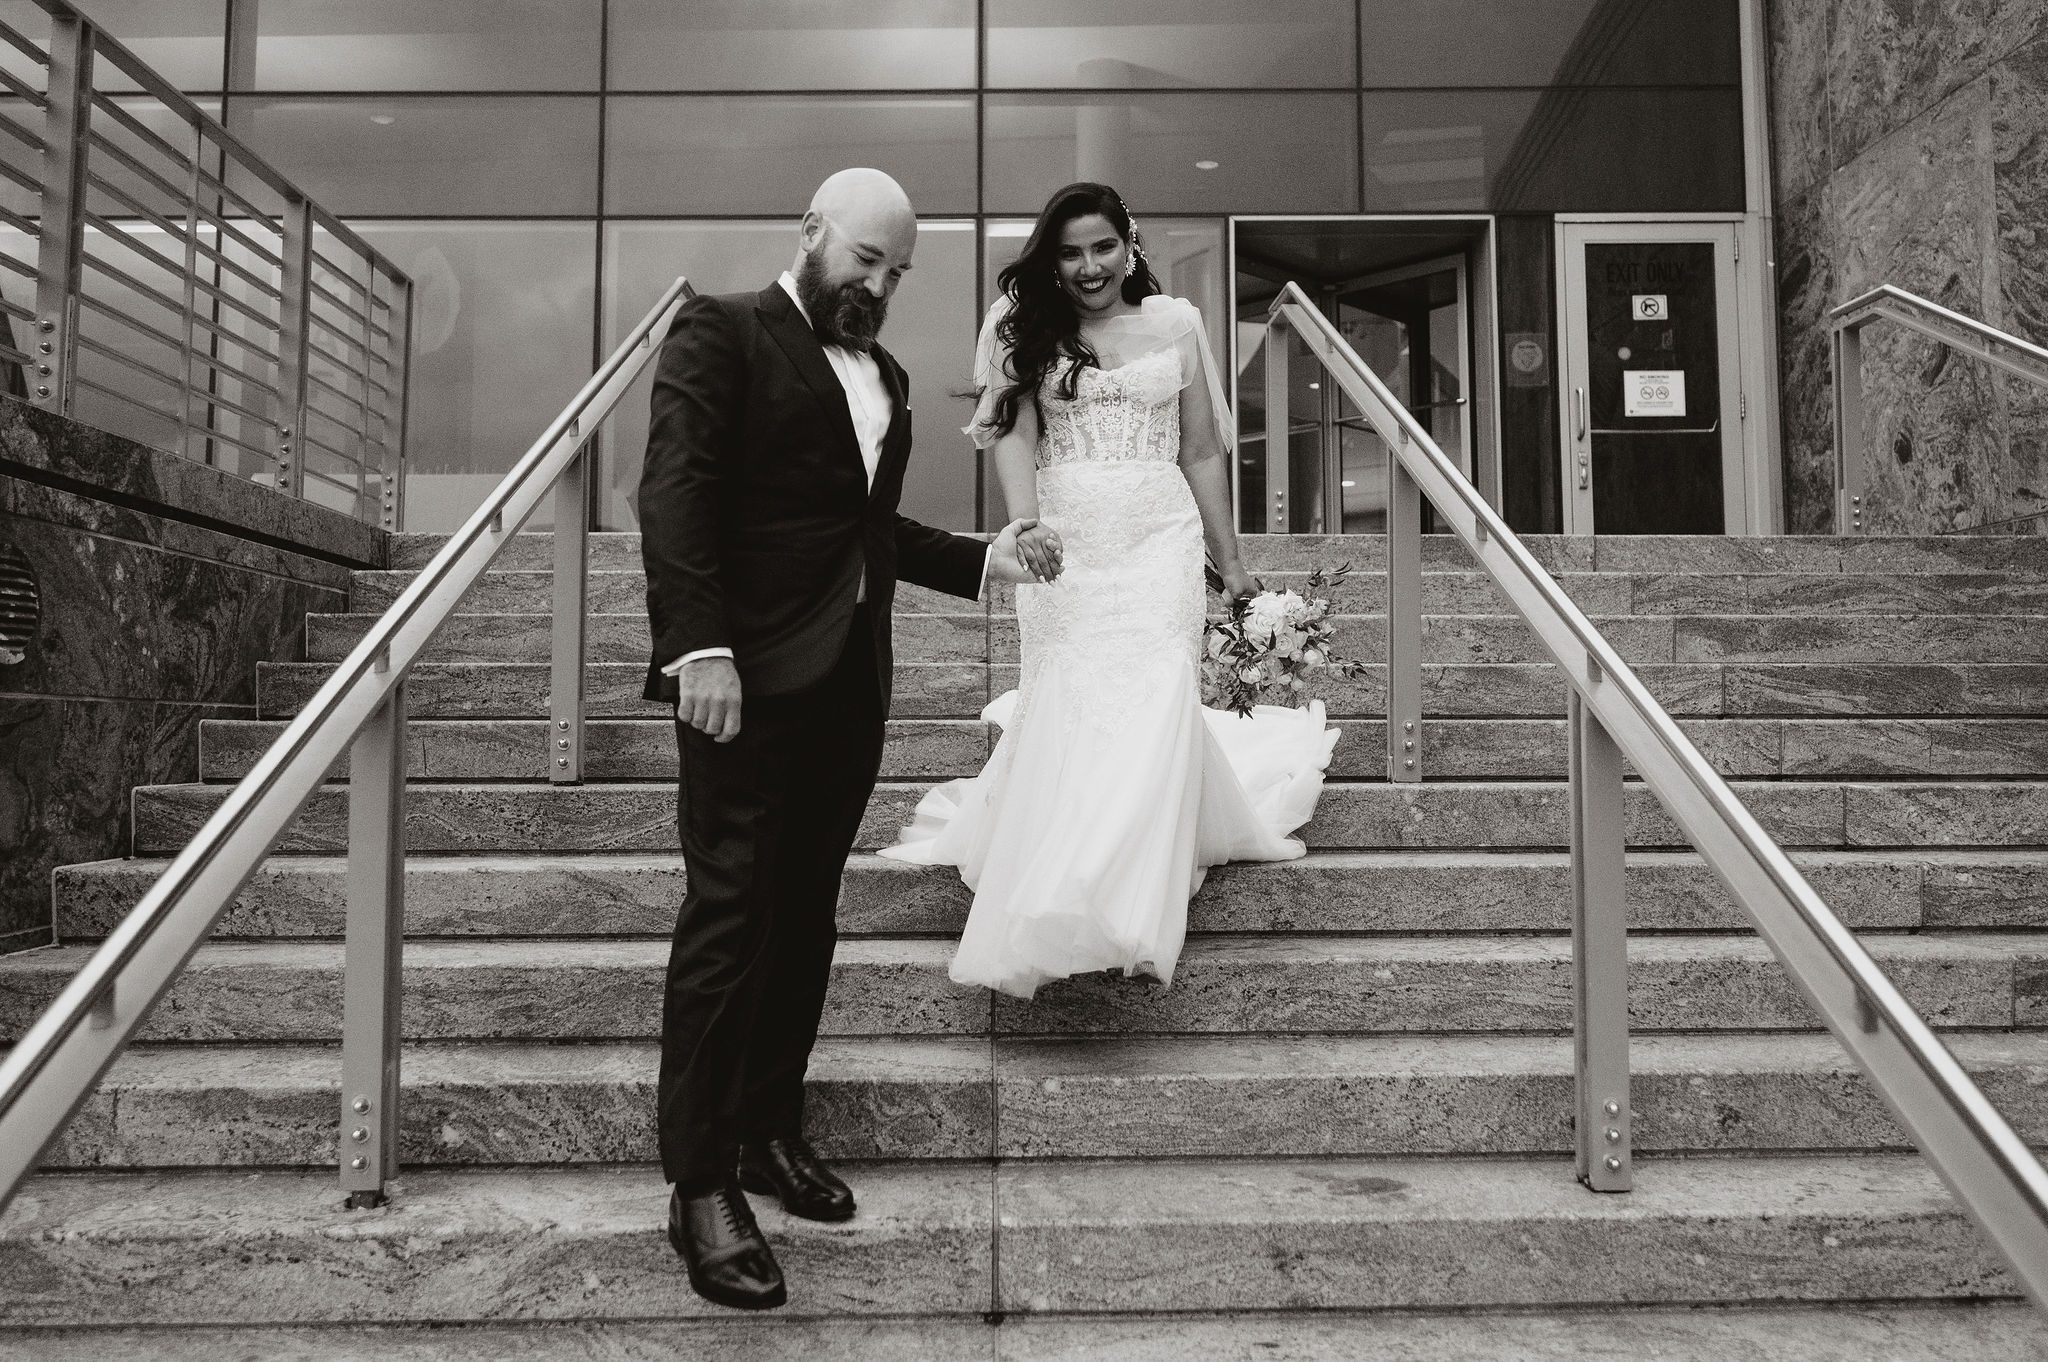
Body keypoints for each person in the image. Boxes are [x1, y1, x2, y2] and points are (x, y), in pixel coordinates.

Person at [636, 167, 1057, 1311]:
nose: (878, 284)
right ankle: (699, 1183)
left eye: (897, 272)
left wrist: (981, 559)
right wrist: (699, 648)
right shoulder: (718, 333)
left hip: (843, 691)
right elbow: (675, 492)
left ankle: (770, 1128)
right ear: (812, 231)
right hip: (742, 682)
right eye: (865, 259)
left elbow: (861, 530)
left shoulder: (885, 376)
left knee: (804, 915)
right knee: (727, 916)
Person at [882, 182, 1338, 999]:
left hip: (1160, 541)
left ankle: (1127, 899)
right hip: (1068, 544)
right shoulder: (1021, 330)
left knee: (1157, 693)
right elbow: (1013, 434)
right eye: (1069, 251)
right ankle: (1069, 871)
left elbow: (1200, 451)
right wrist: (1025, 527)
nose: (1088, 266)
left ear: (1131, 245)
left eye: (1102, 247)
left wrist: (1230, 564)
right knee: (1072, 696)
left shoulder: (1180, 325)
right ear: (1051, 260)